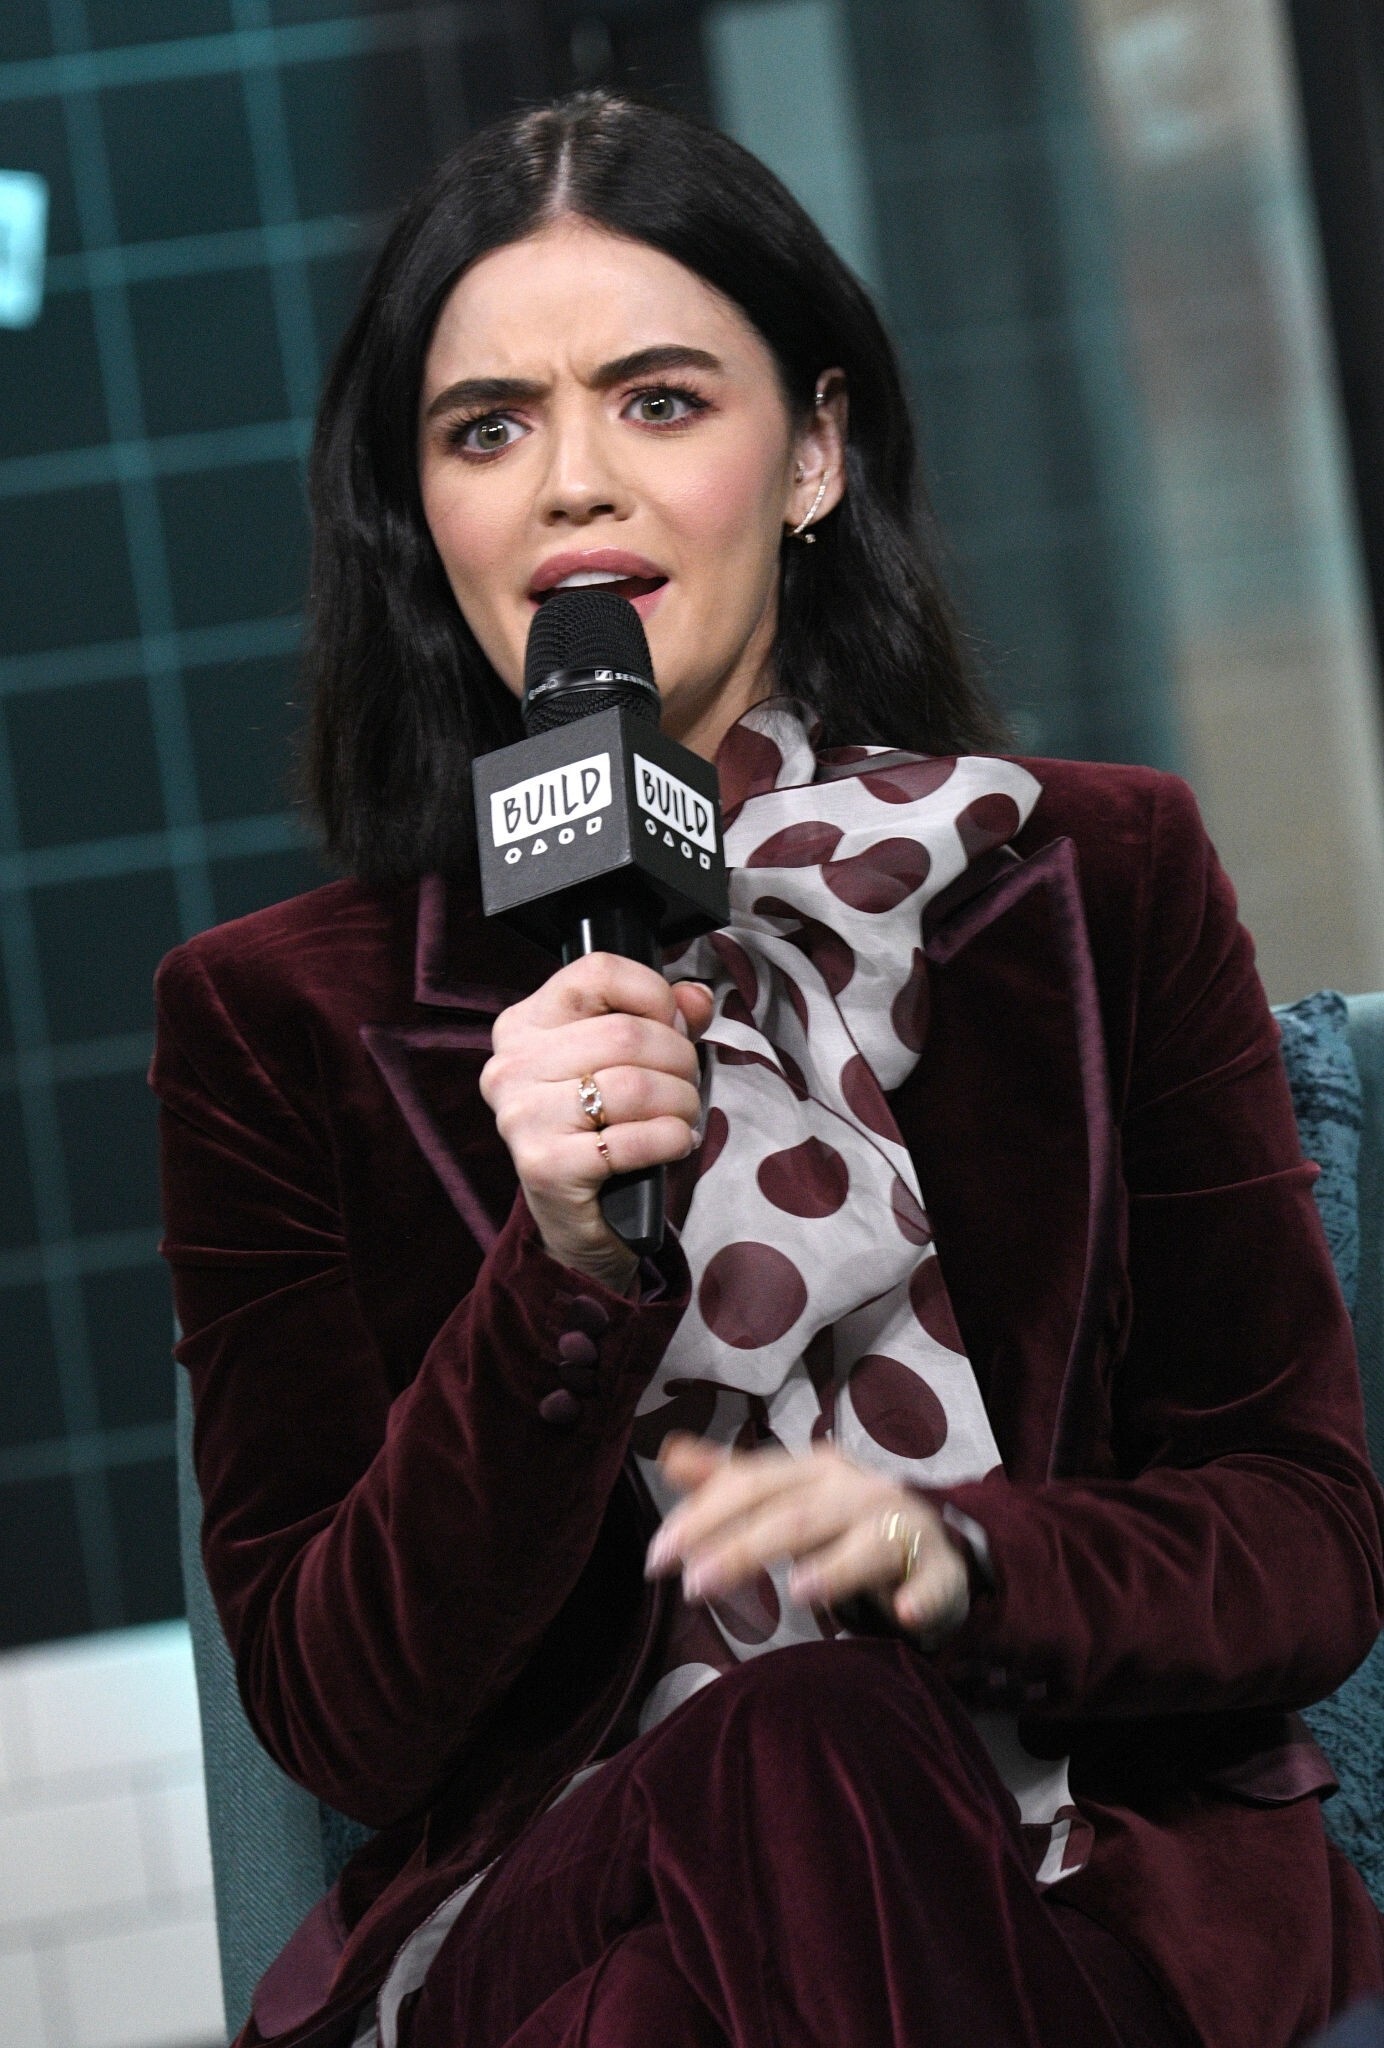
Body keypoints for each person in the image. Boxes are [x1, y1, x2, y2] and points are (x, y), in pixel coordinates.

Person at [151, 91, 1384, 2048]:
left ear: (812, 451)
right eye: (488, 429)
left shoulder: (1097, 875)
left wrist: (947, 1556)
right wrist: (561, 1269)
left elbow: (1305, 1545)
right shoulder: (270, 1018)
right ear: (422, 517)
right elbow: (338, 1717)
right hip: (574, 1876)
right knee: (785, 1742)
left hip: (1062, 1889)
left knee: (781, 1816)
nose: (574, 485)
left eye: (657, 402)